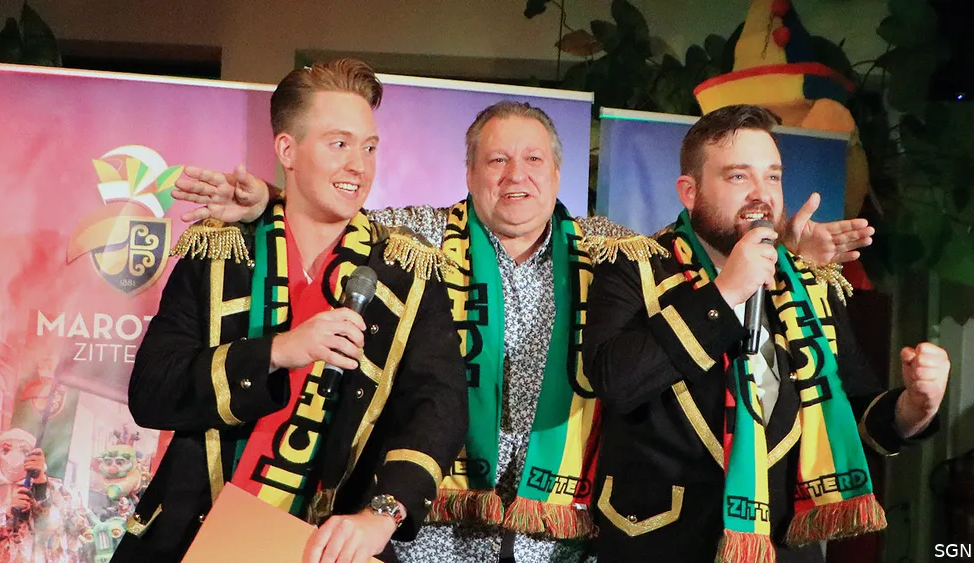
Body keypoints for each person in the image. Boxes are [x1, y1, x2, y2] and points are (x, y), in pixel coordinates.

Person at [170, 98, 872, 563]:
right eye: (497, 160)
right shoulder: (414, 236)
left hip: (556, 538)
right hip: (427, 532)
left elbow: (699, 246)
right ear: (469, 171)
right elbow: (334, 220)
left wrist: (785, 247)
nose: (517, 177)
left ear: (558, 172)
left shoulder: (608, 248)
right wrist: (270, 200)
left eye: (534, 159)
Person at [113, 59, 467, 563]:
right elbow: (151, 392)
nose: (359, 166)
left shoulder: (407, 272)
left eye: (369, 147)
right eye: (339, 144)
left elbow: (438, 409)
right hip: (196, 539)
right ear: (287, 150)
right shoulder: (221, 252)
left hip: (323, 548)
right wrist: (278, 351)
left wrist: (382, 513)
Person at [582, 104, 950, 562]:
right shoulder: (632, 266)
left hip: (781, 549)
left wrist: (915, 407)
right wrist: (725, 294)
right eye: (739, 177)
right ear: (690, 192)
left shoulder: (809, 284)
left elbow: (852, 415)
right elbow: (615, 381)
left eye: (772, 177)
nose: (761, 194)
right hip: (659, 546)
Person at [0, 428, 86, 563]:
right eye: (6, 450)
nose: (14, 459)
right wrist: (6, 515)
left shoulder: (54, 488)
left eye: (25, 451)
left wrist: (41, 487)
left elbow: (76, 527)